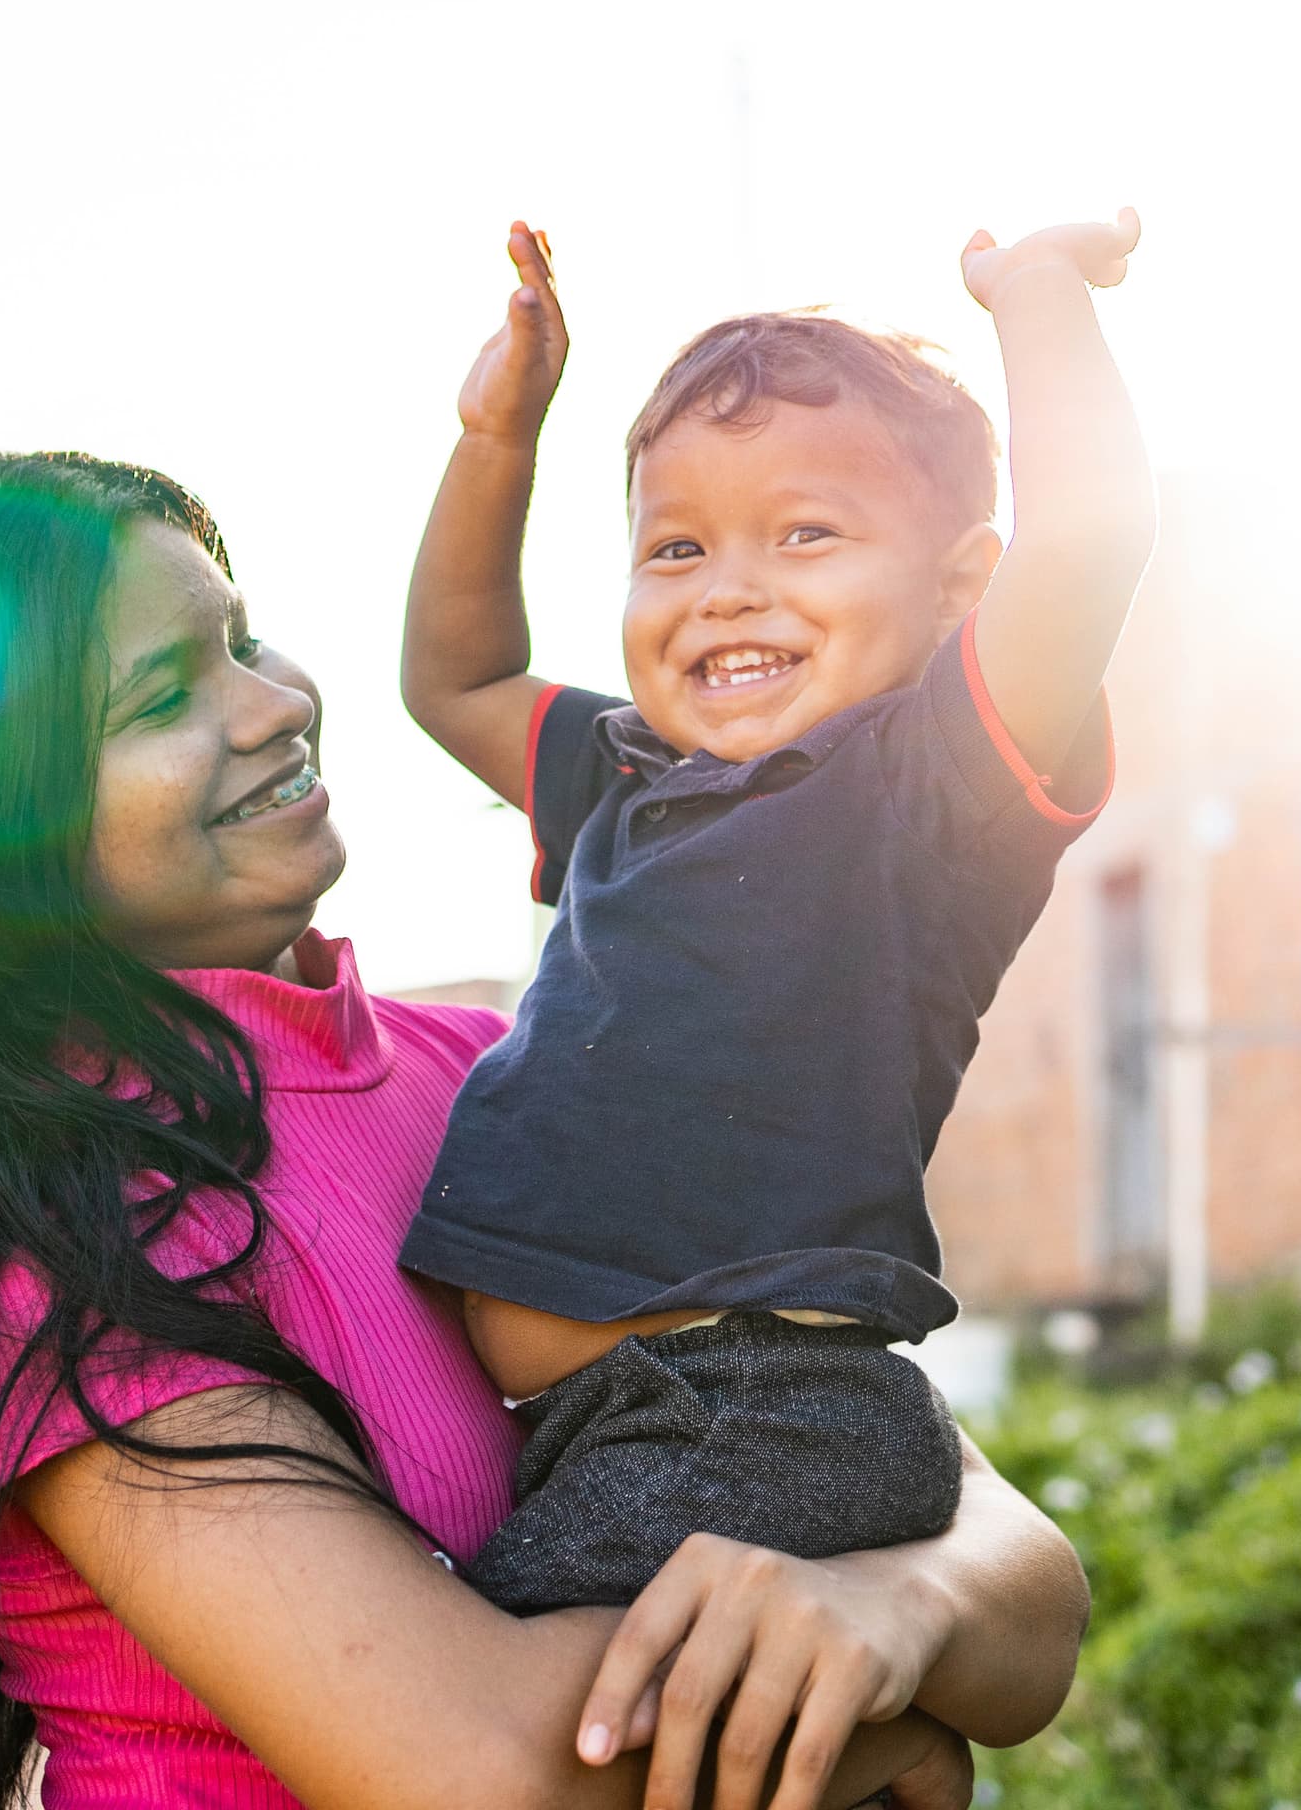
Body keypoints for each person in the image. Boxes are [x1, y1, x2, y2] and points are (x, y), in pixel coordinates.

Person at [0, 450, 1087, 1810]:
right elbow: (477, 1772)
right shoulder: (45, 1220)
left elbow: (1001, 1556)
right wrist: (879, 1737)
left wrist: (899, 1621)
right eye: (164, 697)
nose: (277, 703)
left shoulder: (511, 1072)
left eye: (241, 637)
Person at [399, 217, 1149, 1612]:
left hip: (751, 1413)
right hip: (606, 1429)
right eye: (674, 548)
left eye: (808, 534)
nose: (730, 586)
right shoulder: (624, 778)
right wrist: (500, 442)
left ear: (960, 590)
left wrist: (1037, 293)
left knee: (488, 1712)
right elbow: (455, 680)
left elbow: (1092, 540)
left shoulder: (930, 784)